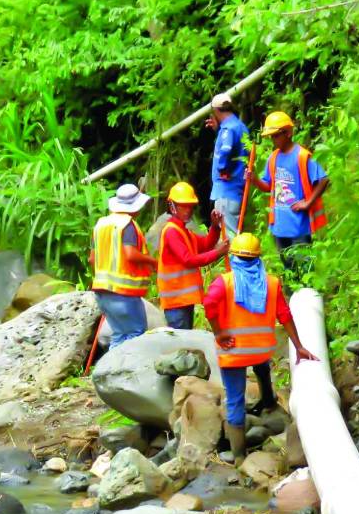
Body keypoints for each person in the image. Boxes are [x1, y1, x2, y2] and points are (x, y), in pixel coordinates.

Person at [203, 232, 318, 458]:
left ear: (233, 257)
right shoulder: (271, 283)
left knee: (235, 400)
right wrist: (300, 346)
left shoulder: (224, 283)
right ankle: (268, 402)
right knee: (262, 368)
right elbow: (284, 315)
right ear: (258, 258)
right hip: (261, 351)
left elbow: (208, 305)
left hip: (233, 351)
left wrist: (219, 333)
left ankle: (239, 457)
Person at [250, 111, 329, 282]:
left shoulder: (301, 156)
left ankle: (309, 297)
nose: (273, 140)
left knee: (306, 266)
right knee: (288, 269)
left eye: (276, 135)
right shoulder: (273, 158)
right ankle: (293, 298)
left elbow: (323, 179)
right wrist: (254, 180)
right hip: (279, 225)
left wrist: (308, 202)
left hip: (299, 225)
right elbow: (267, 186)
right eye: (271, 136)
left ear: (288, 133)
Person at [90, 183, 158, 347]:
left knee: (119, 336)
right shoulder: (127, 225)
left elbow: (92, 259)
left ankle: (110, 371)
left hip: (101, 292)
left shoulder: (101, 225)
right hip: (123, 293)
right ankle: (129, 372)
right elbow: (130, 254)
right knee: (136, 334)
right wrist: (153, 261)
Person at [157, 181, 229, 329]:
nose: (188, 210)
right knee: (182, 347)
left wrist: (214, 227)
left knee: (185, 345)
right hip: (176, 302)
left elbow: (206, 245)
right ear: (172, 206)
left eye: (190, 206)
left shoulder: (184, 231)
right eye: (184, 206)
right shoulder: (172, 231)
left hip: (183, 301)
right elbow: (188, 260)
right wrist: (218, 252)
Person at [207, 93, 253, 237]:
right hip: (236, 190)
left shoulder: (228, 129)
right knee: (233, 233)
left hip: (226, 191)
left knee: (230, 238)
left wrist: (222, 168)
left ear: (216, 111)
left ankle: (235, 261)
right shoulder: (240, 127)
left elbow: (226, 150)